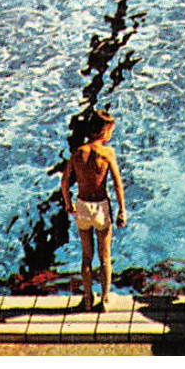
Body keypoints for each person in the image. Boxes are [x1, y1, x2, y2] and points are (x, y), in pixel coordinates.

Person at [59, 109, 128, 312]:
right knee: (104, 257)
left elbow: (64, 182)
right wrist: (122, 210)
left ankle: (88, 298)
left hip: (81, 205)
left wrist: (67, 203)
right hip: (100, 206)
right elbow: (117, 184)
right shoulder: (107, 153)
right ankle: (105, 299)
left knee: (86, 256)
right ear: (104, 132)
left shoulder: (78, 153)